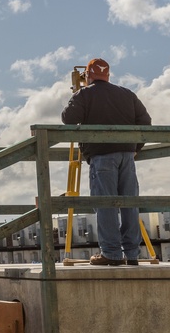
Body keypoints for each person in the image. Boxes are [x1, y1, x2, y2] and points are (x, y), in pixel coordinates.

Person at [61, 58, 151, 266]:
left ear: (88, 76)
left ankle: (111, 253)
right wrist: (135, 148)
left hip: (101, 157)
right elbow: (145, 122)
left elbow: (68, 118)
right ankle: (132, 254)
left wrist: (79, 93)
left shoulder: (85, 94)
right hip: (127, 156)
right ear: (108, 75)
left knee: (105, 204)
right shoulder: (127, 94)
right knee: (130, 203)